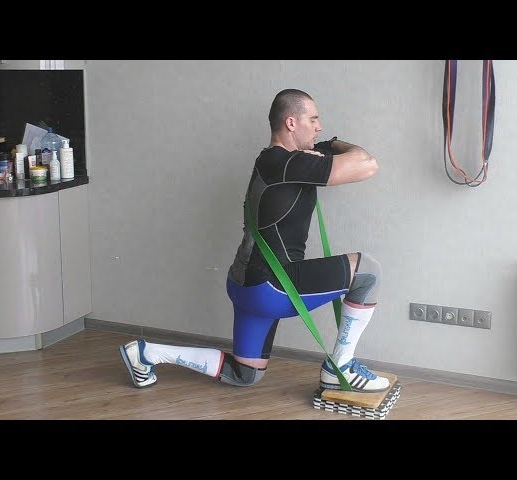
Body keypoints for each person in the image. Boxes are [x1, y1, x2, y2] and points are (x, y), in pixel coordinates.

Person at [120, 88, 389, 393]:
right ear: (291, 123)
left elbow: (334, 158)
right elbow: (368, 163)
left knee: (245, 374)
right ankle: (340, 366)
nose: (319, 126)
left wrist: (321, 147)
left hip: (245, 285)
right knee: (368, 271)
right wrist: (335, 143)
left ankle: (146, 354)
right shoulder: (286, 164)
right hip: (272, 288)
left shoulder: (274, 161)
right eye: (313, 119)